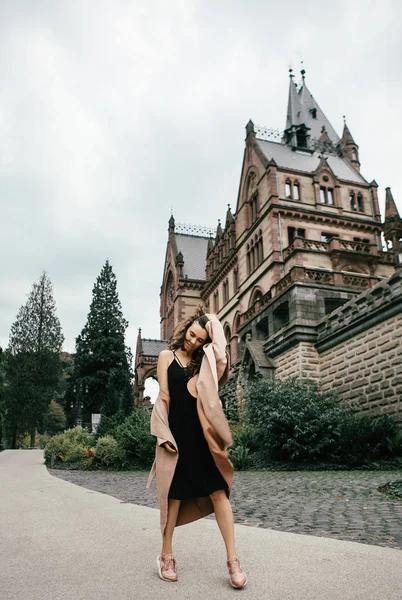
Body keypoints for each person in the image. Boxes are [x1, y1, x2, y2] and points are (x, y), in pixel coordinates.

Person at [147, 308, 247, 589]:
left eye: (200, 340)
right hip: (177, 439)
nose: (193, 342)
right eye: (192, 334)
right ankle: (166, 555)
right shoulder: (167, 357)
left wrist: (212, 322)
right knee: (174, 497)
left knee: (219, 493)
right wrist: (162, 433)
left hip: (203, 439)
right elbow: (163, 400)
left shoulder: (206, 362)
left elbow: (222, 355)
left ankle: (233, 561)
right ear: (185, 327)